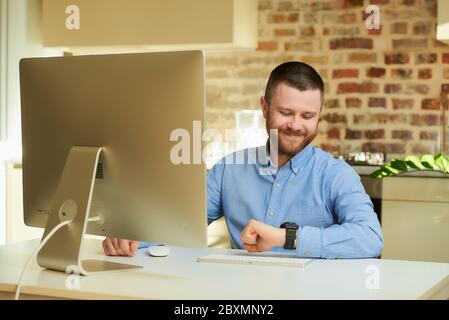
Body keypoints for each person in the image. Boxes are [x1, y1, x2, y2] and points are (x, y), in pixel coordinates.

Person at [102, 61, 384, 259]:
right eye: (286, 112)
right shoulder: (228, 170)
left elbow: (370, 238)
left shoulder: (335, 175)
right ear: (264, 107)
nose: (296, 125)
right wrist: (134, 236)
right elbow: (181, 220)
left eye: (308, 116)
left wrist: (285, 238)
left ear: (319, 114)